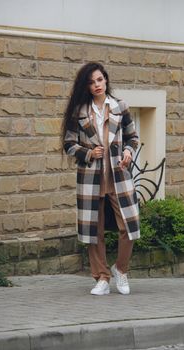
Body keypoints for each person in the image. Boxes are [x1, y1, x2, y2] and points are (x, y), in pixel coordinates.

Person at [62, 62, 140, 296]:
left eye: (99, 80)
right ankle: (102, 278)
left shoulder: (120, 107)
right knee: (93, 230)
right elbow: (68, 144)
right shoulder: (79, 112)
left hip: (119, 177)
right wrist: (87, 153)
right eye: (91, 82)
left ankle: (121, 270)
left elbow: (132, 137)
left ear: (105, 80)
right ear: (86, 86)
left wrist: (128, 152)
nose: (96, 85)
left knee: (130, 225)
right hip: (90, 178)